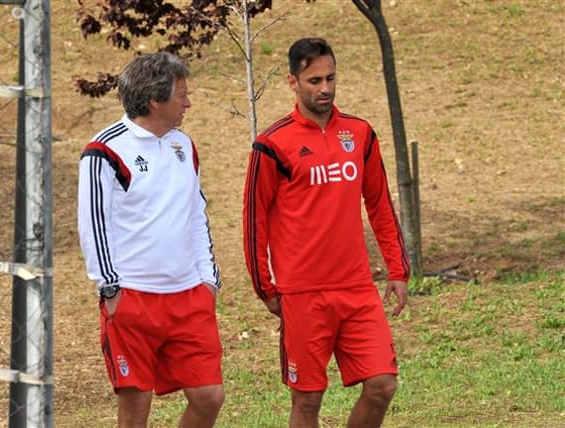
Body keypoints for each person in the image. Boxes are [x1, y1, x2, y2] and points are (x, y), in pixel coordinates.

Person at [242, 37, 410, 428]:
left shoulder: (360, 133)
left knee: (382, 385)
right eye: (315, 80)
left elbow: (380, 205)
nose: (326, 89)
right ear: (293, 81)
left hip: (356, 289)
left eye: (331, 78)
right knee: (307, 402)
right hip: (302, 294)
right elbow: (255, 220)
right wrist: (265, 286)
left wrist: (397, 269)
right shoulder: (271, 144)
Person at [78, 51, 224, 428]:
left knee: (209, 398)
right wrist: (111, 289)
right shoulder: (103, 151)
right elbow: (93, 224)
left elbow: (196, 213)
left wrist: (208, 278)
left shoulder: (184, 145)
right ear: (156, 100)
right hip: (133, 297)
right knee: (135, 410)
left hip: (190, 296)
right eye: (182, 95)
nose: (188, 103)